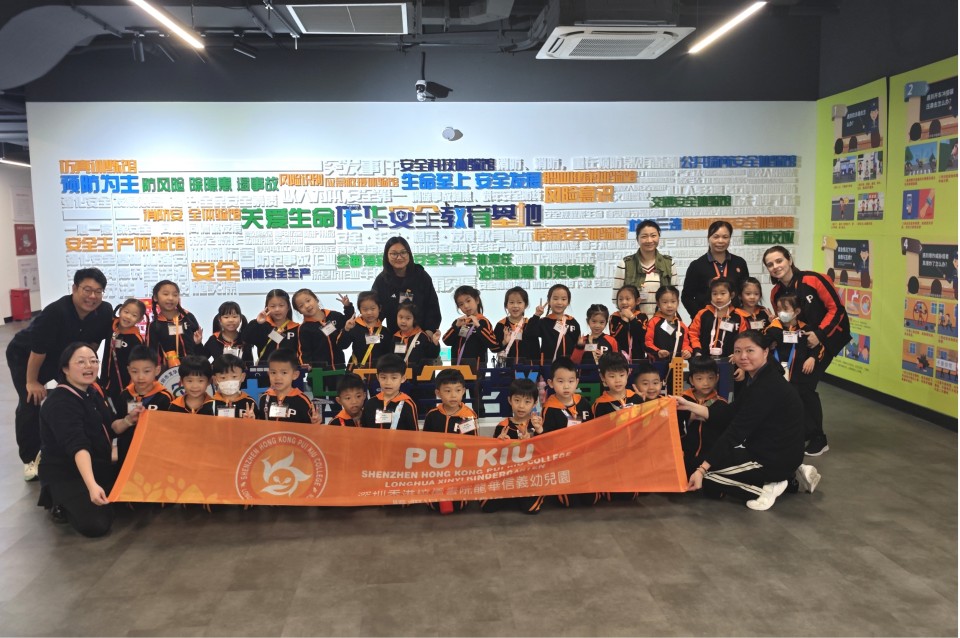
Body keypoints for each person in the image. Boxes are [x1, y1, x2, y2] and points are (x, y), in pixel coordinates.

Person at [678, 331, 820, 511]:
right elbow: (731, 412)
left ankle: (766, 487)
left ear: (765, 352)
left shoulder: (767, 386)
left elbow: (736, 431)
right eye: (738, 351)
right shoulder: (758, 377)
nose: (743, 356)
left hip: (771, 459)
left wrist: (702, 469)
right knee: (699, 463)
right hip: (769, 450)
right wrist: (690, 406)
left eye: (750, 350)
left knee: (701, 474)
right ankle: (790, 476)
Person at [7, 268, 114, 481]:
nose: (92, 296)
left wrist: (85, 368)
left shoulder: (104, 311)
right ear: (74, 288)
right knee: (31, 400)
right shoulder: (55, 312)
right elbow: (38, 351)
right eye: (87, 290)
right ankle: (30, 458)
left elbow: (92, 344)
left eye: (98, 291)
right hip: (28, 356)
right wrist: (32, 381)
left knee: (85, 394)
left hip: (66, 357)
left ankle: (83, 445)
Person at [764, 245, 851, 455]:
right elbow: (785, 322)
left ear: (789, 259)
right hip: (801, 343)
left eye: (779, 261)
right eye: (770, 264)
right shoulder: (776, 292)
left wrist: (819, 335)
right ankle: (802, 431)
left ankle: (818, 437)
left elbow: (837, 309)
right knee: (794, 386)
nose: (775, 266)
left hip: (827, 339)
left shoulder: (814, 279)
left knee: (804, 386)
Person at [37, 343, 126, 537]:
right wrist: (92, 486)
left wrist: (129, 420)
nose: (89, 366)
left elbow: (110, 425)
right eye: (81, 362)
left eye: (93, 361)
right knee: (96, 525)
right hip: (68, 473)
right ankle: (58, 502)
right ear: (65, 368)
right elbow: (78, 447)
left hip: (98, 464)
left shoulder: (92, 391)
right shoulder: (60, 403)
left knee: (131, 502)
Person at [764, 292, 827, 455]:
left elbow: (818, 348)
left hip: (801, 378)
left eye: (785, 309)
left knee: (807, 405)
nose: (781, 313)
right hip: (778, 378)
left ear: (797, 311)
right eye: (779, 309)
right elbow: (763, 343)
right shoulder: (773, 328)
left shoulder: (806, 329)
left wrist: (812, 358)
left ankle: (817, 437)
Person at [482, 378, 544, 514]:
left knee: (531, 509)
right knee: (487, 507)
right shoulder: (503, 426)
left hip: (529, 476)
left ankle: (519, 496)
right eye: (517, 400)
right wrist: (500, 443)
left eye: (527, 402)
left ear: (535, 403)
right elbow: (494, 457)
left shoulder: (537, 425)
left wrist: (537, 434)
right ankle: (511, 494)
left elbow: (545, 452)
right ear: (510, 400)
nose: (521, 406)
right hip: (506, 476)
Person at [541, 357, 597, 508]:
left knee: (590, 500)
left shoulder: (583, 402)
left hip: (583, 458)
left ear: (577, 382)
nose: (566, 386)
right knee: (568, 503)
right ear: (551, 383)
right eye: (560, 381)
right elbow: (546, 439)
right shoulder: (549, 408)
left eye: (571, 381)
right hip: (562, 461)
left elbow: (592, 428)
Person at [113, 344, 173, 467]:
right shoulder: (125, 395)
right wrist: (129, 420)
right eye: (135, 371)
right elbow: (116, 428)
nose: (140, 377)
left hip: (154, 455)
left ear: (157, 370)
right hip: (127, 454)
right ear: (128, 370)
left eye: (146, 371)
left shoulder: (165, 397)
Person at [372, 236, 442, 338]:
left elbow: (432, 308)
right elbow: (375, 310)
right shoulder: (382, 280)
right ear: (386, 256)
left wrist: (428, 335)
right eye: (394, 254)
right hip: (395, 338)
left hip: (421, 336)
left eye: (403, 252)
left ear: (409, 254)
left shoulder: (421, 276)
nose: (399, 257)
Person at [681, 221, 751, 318]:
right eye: (716, 237)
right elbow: (686, 297)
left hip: (734, 319)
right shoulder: (697, 265)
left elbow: (745, 292)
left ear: (730, 239)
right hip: (706, 321)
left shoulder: (739, 263)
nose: (720, 241)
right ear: (708, 238)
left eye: (725, 237)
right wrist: (701, 316)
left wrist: (741, 315)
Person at [613, 220, 677, 317]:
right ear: (637, 239)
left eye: (653, 235)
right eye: (644, 236)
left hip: (662, 321)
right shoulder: (625, 264)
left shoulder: (669, 263)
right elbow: (616, 298)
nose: (649, 240)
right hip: (633, 320)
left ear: (659, 237)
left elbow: (674, 298)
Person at [678, 356, 728, 476]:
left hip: (710, 460)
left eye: (710, 378)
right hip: (684, 457)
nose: (706, 383)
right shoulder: (681, 401)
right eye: (699, 378)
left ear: (717, 378)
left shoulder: (721, 403)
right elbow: (677, 428)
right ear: (691, 380)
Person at [147, 280, 204, 371]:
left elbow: (199, 348)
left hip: (193, 370)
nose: (171, 298)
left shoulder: (188, 317)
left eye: (175, 295)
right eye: (166, 294)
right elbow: (151, 353)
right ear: (155, 298)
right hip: (168, 372)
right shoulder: (155, 326)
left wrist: (198, 344)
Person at [100, 298, 146, 410]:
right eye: (126, 312)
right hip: (105, 380)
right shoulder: (111, 327)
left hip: (124, 384)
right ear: (120, 311)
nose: (128, 317)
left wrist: (133, 386)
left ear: (140, 319)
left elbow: (138, 365)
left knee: (121, 410)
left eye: (134, 315)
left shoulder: (136, 340)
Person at [293, 289, 354, 372]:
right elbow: (304, 351)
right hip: (318, 372)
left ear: (316, 299)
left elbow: (349, 322)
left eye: (308, 301)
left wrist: (348, 307)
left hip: (339, 368)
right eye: (301, 306)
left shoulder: (334, 316)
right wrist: (305, 364)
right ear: (299, 311)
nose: (306, 306)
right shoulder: (304, 328)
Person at [688, 278, 749, 359]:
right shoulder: (702, 314)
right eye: (715, 294)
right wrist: (697, 350)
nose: (718, 297)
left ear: (732, 295)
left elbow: (743, 339)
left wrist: (737, 353)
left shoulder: (738, 317)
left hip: (730, 360)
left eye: (723, 293)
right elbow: (693, 333)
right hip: (703, 359)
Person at [441, 286, 498, 368]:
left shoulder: (483, 322)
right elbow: (446, 341)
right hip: (457, 369)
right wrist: (456, 327)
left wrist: (478, 327)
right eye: (461, 304)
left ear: (477, 300)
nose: (466, 306)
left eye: (468, 301)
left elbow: (493, 344)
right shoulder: (459, 322)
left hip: (477, 368)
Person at [242, 289, 300, 365]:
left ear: (288, 307)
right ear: (267, 308)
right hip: (265, 371)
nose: (277, 309)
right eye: (272, 306)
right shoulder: (262, 326)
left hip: (289, 371)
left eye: (281, 305)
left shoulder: (297, 328)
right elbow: (246, 339)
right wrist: (257, 322)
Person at [258, 349, 318, 424]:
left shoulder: (302, 401)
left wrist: (314, 423)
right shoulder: (264, 398)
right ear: (268, 374)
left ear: (295, 375)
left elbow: (310, 426)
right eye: (273, 372)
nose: (278, 377)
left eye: (284, 372)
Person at [360, 354, 418, 430]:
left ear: (403, 379)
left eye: (394, 378)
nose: (388, 382)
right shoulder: (370, 403)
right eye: (383, 377)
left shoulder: (408, 405)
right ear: (377, 377)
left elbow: (414, 433)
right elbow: (364, 431)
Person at [530, 284, 581, 364]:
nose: (559, 302)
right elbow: (530, 333)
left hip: (568, 366)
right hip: (548, 366)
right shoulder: (544, 322)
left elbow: (577, 345)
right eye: (555, 299)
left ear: (568, 302)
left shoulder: (573, 322)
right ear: (549, 301)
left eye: (563, 299)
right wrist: (537, 315)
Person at [341, 291, 390, 370]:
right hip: (356, 371)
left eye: (373, 309)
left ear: (379, 308)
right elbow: (342, 345)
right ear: (360, 310)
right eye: (365, 309)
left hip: (378, 373)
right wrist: (346, 329)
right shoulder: (354, 327)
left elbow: (388, 355)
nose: (369, 313)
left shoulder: (385, 331)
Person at [493, 287, 540, 365]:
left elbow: (536, 348)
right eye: (511, 302)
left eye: (519, 302)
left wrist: (536, 368)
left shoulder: (530, 324)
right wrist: (504, 342)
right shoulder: (501, 325)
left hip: (528, 368)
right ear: (506, 305)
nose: (515, 306)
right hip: (507, 368)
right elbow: (494, 348)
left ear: (525, 305)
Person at [391, 301, 441, 373]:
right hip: (400, 376)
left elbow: (432, 355)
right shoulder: (395, 337)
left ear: (414, 319)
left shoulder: (422, 336)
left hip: (419, 376)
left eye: (408, 318)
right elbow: (391, 358)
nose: (403, 321)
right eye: (400, 317)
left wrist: (435, 342)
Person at [645, 285, 692, 361]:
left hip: (676, 365)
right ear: (658, 304)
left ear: (678, 302)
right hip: (656, 363)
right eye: (665, 302)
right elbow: (647, 342)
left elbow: (685, 343)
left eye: (673, 301)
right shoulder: (653, 322)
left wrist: (687, 351)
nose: (669, 305)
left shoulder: (681, 326)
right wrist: (657, 351)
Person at [592, 351, 644, 417]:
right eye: (612, 376)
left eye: (621, 375)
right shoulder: (600, 404)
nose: (618, 380)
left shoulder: (636, 398)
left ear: (628, 374)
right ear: (602, 377)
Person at [210, 354, 260, 419]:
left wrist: (251, 421)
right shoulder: (210, 404)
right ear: (215, 379)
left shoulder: (250, 402)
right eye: (223, 377)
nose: (229, 381)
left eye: (234, 377)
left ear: (243, 377)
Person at [608, 285, 647, 362]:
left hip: (638, 358)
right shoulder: (614, 317)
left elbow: (642, 336)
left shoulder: (642, 316)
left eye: (628, 299)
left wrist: (632, 317)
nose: (624, 302)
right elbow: (615, 337)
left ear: (637, 301)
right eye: (620, 299)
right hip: (619, 360)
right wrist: (624, 321)